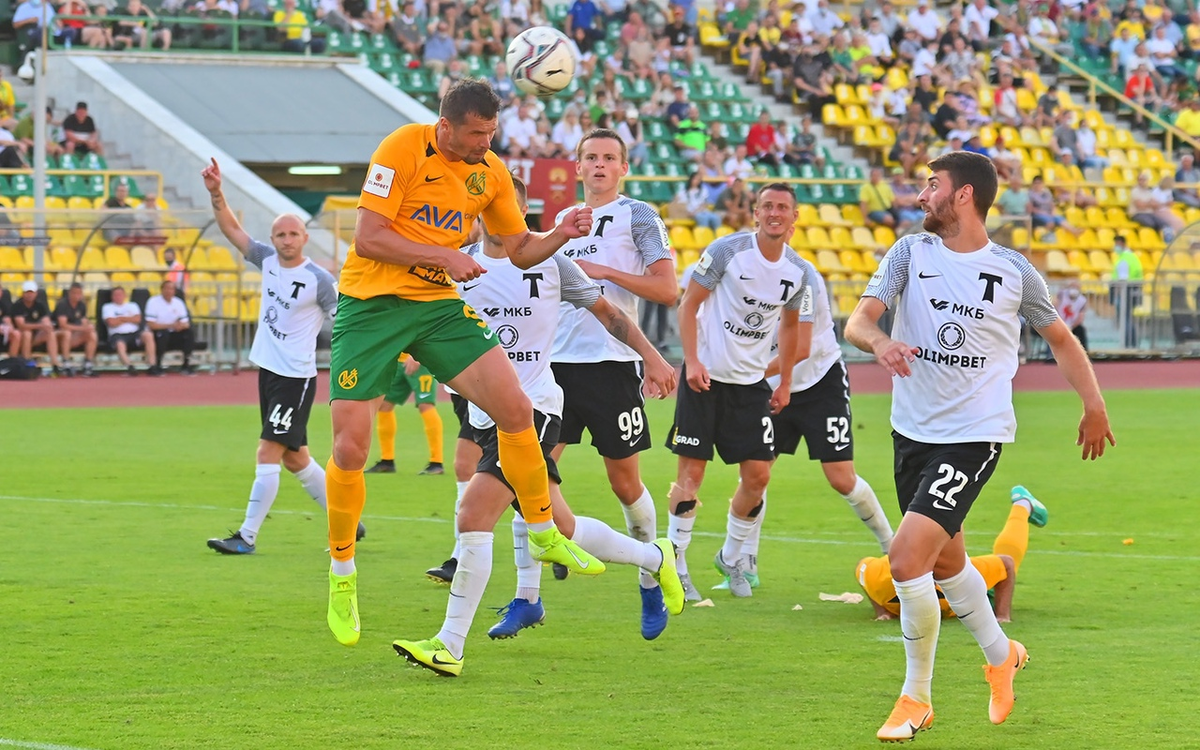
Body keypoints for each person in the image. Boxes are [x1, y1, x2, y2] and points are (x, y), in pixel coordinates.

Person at [844, 151, 1115, 742]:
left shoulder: (1014, 271)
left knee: (906, 560)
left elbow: (1060, 338)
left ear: (963, 195)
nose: (922, 195)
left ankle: (916, 698)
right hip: (911, 431)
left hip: (974, 435)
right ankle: (1002, 654)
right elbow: (858, 322)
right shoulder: (910, 253)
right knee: (947, 563)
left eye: (931, 185)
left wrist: (1094, 405)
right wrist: (881, 343)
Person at [323, 78, 601, 648]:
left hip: (436, 306)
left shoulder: (490, 171)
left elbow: (519, 250)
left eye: (491, 133)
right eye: (477, 133)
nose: (485, 143)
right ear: (445, 125)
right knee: (351, 448)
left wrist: (559, 233)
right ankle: (342, 575)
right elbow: (369, 239)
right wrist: (442, 255)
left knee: (516, 409)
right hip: (371, 306)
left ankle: (543, 529)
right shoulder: (402, 147)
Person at [392, 176, 682, 676]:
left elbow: (610, 314)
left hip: (533, 413)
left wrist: (652, 358)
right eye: (491, 208)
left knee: (473, 514)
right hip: (483, 413)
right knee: (560, 526)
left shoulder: (552, 263)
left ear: (523, 214)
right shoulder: (457, 266)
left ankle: (450, 645)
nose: (502, 218)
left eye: (511, 209)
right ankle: (655, 558)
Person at [544, 128, 679, 635]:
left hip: (612, 363)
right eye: (590, 157)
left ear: (623, 167)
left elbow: (667, 289)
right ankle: (531, 588)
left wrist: (603, 271)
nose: (599, 165)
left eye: (608, 158)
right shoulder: (563, 220)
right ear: (577, 166)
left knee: (624, 482)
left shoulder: (637, 215)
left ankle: (650, 576)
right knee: (532, 473)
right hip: (554, 365)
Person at [715, 255, 895, 592]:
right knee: (754, 475)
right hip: (770, 387)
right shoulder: (738, 279)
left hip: (820, 381)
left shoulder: (804, 276)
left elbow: (801, 347)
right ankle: (742, 564)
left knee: (841, 478)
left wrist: (749, 372)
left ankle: (892, 546)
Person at [667, 183, 812, 600]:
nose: (774, 213)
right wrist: (692, 361)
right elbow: (688, 305)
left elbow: (789, 328)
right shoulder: (727, 251)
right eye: (767, 206)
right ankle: (675, 565)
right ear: (756, 213)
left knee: (758, 476)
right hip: (705, 380)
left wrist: (785, 382)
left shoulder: (798, 271)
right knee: (691, 475)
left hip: (751, 387)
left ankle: (731, 557)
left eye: (782, 207)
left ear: (794, 217)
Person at [200, 157, 348, 555]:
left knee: (268, 450)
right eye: (280, 234)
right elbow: (232, 230)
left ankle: (246, 537)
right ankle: (347, 519)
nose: (286, 240)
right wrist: (217, 193)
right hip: (268, 371)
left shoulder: (320, 280)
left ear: (304, 237)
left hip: (295, 378)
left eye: (293, 233)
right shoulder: (266, 259)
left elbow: (345, 321)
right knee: (296, 459)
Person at [857, 486, 1049, 623]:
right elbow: (863, 570)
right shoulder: (883, 576)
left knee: (1004, 566)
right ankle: (1023, 504)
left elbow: (1006, 564)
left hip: (975, 593)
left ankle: (1023, 505)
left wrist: (1001, 615)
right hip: (954, 599)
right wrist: (883, 611)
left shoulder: (957, 570)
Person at [364, 353, 445, 475]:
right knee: (384, 405)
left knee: (425, 405)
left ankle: (436, 462)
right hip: (397, 361)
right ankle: (387, 460)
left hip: (420, 361)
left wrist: (418, 355)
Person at [101, 285, 159, 376]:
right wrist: (129, 318)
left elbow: (138, 319)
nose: (118, 297)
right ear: (112, 296)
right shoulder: (107, 307)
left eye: (120, 294)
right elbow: (111, 322)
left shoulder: (132, 305)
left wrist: (120, 318)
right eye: (115, 295)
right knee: (119, 344)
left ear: (125, 295)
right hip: (117, 335)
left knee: (148, 335)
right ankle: (130, 367)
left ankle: (152, 365)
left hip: (134, 334)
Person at [12, 280, 66, 375]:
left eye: (31, 292)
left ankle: (55, 364)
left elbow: (46, 321)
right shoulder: (17, 306)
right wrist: (40, 326)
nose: (30, 295)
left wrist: (47, 326)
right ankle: (27, 362)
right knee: (27, 333)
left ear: (36, 293)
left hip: (36, 336)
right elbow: (21, 326)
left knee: (50, 333)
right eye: (27, 292)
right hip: (22, 337)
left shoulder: (40, 305)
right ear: (23, 293)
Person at [144, 279, 196, 374]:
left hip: (174, 332)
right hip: (158, 332)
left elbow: (186, 323)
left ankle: (186, 364)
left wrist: (180, 326)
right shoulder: (153, 302)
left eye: (171, 289)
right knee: (163, 333)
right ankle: (157, 364)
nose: (168, 291)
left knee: (189, 333)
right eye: (166, 288)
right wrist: (170, 325)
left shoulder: (178, 302)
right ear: (161, 290)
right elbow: (151, 324)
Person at [54, 282, 98, 376]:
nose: (77, 295)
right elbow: (63, 325)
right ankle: (66, 362)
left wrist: (89, 326)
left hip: (74, 335)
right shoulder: (63, 304)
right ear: (70, 293)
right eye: (75, 293)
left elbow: (83, 320)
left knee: (92, 334)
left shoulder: (81, 305)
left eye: (79, 293)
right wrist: (81, 328)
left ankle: (88, 363)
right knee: (67, 333)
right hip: (57, 336)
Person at [1112, 235, 1143, 349]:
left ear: (1120, 243)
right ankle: (1133, 343)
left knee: (1125, 319)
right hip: (1134, 290)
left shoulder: (1124, 259)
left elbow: (1122, 279)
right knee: (1129, 318)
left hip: (1126, 292)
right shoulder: (1133, 257)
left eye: (1116, 244)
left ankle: (1128, 344)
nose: (1115, 247)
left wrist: (1117, 294)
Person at [1056, 280, 1088, 353]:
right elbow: (1054, 307)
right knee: (1052, 331)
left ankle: (1084, 353)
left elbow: (1081, 317)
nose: (1074, 289)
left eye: (1076, 287)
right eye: (1072, 287)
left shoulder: (1082, 300)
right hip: (1059, 323)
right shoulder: (1062, 295)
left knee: (1081, 330)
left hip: (1073, 325)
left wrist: (1072, 326)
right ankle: (1051, 355)